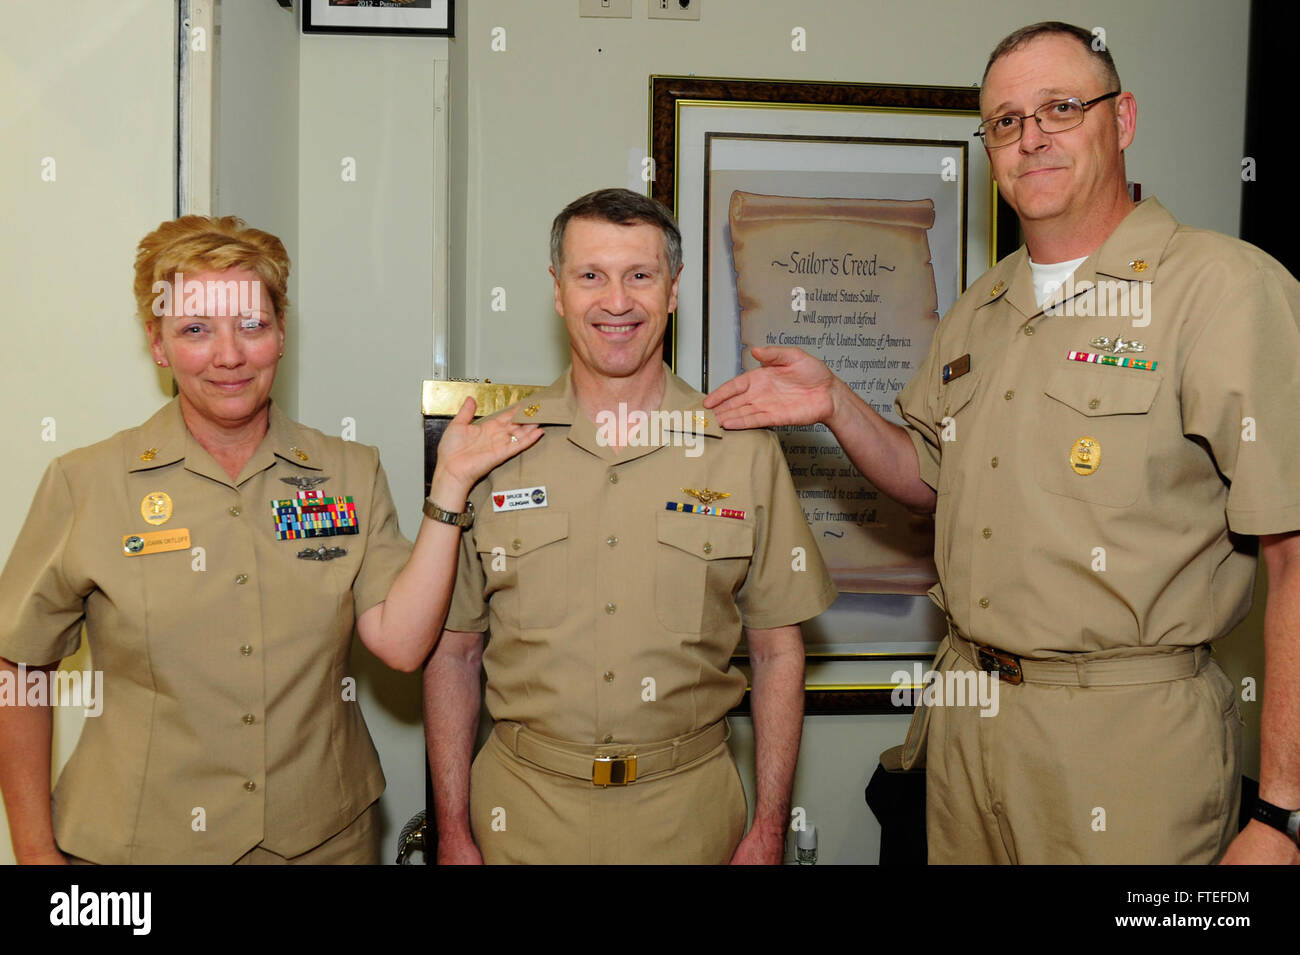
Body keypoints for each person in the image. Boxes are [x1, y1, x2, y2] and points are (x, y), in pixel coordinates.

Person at [705, 21, 1300, 864]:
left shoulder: (1223, 290)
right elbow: (928, 476)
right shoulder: (982, 307)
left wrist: (1280, 815)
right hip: (966, 731)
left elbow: (1293, 554)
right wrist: (836, 402)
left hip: (1126, 744)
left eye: (1061, 107)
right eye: (1007, 122)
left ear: (1121, 119)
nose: (1033, 138)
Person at [0, 215, 540, 865]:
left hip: (319, 844)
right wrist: (34, 853)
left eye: (251, 325)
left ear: (282, 333)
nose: (228, 356)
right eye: (196, 329)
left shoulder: (347, 472)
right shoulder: (86, 483)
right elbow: (17, 665)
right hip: (133, 851)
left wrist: (450, 484)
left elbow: (401, 644)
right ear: (159, 344)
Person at [424, 188, 837, 864]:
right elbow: (454, 651)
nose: (617, 302)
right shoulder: (492, 452)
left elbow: (778, 651)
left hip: (690, 819)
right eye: (591, 275)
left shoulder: (743, 450)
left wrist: (767, 829)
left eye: (640, 276)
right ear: (557, 291)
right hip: (520, 817)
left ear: (673, 291)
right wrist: (454, 831)